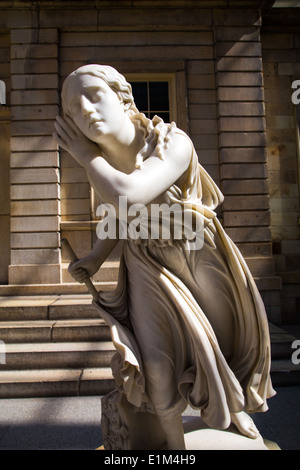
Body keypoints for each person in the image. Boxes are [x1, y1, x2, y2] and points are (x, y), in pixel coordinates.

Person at [53, 64, 276, 450]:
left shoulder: (173, 142)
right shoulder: (102, 165)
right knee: (155, 361)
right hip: (146, 261)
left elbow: (131, 193)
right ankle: (174, 446)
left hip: (197, 251)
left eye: (93, 95)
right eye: (73, 107)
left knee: (225, 341)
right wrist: (95, 257)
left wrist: (86, 157)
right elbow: (116, 214)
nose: (84, 110)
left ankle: (234, 407)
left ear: (124, 98)